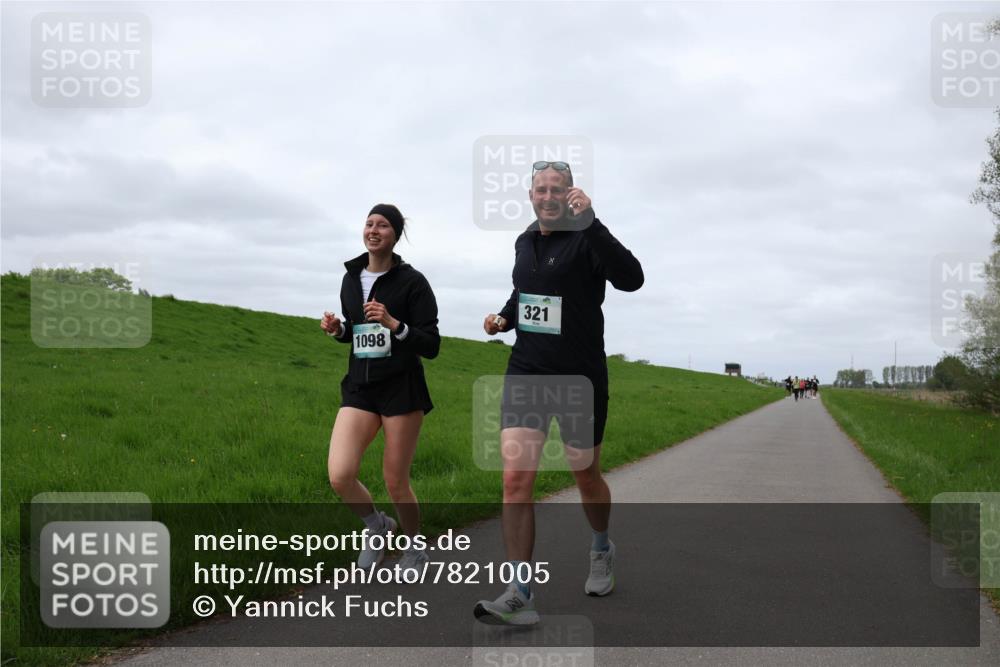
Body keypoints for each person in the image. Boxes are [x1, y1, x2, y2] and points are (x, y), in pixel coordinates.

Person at [474, 161, 644, 625]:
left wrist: (593, 221)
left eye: (558, 189)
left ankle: (602, 546)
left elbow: (632, 278)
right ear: (530, 195)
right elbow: (524, 292)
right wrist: (504, 318)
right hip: (527, 371)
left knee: (585, 475)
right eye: (540, 189)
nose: (547, 195)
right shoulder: (524, 239)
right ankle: (519, 591)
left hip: (579, 377)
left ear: (572, 194)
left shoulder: (587, 236)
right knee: (514, 481)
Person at [321, 204, 440, 577]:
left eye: (383, 225)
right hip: (360, 386)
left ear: (396, 234)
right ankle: (377, 526)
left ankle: (414, 549)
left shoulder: (413, 281)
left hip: (401, 389)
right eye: (369, 223)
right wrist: (339, 330)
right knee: (340, 474)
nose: (374, 230)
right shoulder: (351, 277)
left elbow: (431, 344)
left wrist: (394, 323)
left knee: (395, 480)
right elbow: (358, 334)